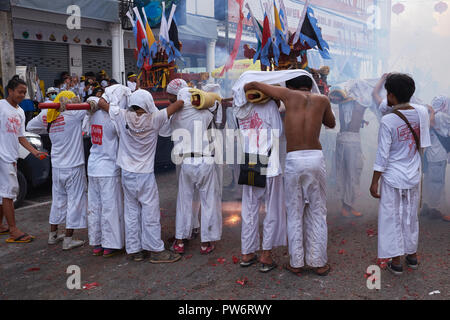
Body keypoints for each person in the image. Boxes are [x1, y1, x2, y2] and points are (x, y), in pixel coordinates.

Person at [243, 71, 336, 276]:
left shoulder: (288, 95)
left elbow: (255, 84)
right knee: (317, 211)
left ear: (291, 86)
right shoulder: (322, 99)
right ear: (310, 86)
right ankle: (319, 263)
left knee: (294, 212)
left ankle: (296, 263)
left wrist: (275, 90)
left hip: (294, 159)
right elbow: (331, 123)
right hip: (315, 156)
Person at [97, 89, 184, 263]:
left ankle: (135, 250)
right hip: (144, 175)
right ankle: (155, 250)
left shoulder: (122, 115)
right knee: (150, 213)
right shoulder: (155, 118)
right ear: (148, 103)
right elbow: (179, 104)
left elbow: (101, 103)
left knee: (131, 212)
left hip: (127, 173)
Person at [370, 73, 431, 275]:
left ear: (392, 95)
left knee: (391, 217)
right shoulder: (421, 112)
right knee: (410, 215)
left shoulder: (388, 120)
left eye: (388, 93)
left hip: (392, 177)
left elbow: (382, 155)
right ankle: (411, 256)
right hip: (413, 174)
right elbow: (424, 140)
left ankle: (396, 261)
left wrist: (374, 182)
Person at [232, 71, 291, 274]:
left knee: (249, 210)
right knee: (272, 210)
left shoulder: (239, 109)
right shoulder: (268, 106)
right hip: (270, 164)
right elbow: (279, 132)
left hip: (250, 162)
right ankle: (266, 255)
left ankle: (247, 253)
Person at [27, 91, 90, 250]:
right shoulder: (74, 113)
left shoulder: (47, 115)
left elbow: (29, 126)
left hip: (57, 167)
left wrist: (51, 121)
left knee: (58, 201)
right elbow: (90, 105)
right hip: (74, 167)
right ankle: (68, 240)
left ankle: (53, 236)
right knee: (75, 202)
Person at [167, 80, 223, 255]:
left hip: (186, 163)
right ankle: (206, 243)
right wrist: (211, 102)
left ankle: (180, 241)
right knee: (208, 202)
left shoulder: (174, 117)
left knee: (184, 203)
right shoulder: (204, 114)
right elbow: (218, 114)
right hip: (205, 160)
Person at [0, 76, 48, 243]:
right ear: (10, 91)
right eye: (20, 92)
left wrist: (34, 152)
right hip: (2, 156)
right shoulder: (1, 107)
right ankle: (13, 230)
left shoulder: (20, 111)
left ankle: (0, 225)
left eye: (24, 92)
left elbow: (21, 137)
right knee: (9, 192)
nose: (22, 95)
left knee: (4, 193)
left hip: (12, 156)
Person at [86, 94, 125, 257]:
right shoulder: (112, 117)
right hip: (108, 168)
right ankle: (110, 244)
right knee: (110, 208)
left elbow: (86, 129)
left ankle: (96, 243)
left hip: (93, 166)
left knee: (95, 207)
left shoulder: (91, 114)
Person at [329, 80, 373, 218]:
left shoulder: (342, 102)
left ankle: (346, 205)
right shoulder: (361, 103)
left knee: (343, 172)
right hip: (352, 140)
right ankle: (347, 206)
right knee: (353, 174)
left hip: (341, 138)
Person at [422, 95, 450, 222]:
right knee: (437, 183)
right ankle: (435, 209)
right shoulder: (441, 116)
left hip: (429, 155)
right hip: (438, 155)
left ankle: (426, 206)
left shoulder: (429, 115)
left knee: (429, 181)